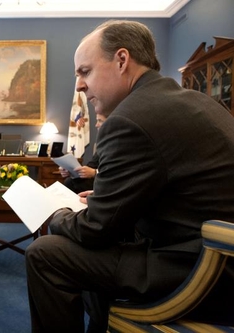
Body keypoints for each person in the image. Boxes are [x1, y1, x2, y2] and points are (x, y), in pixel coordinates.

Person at [25, 19, 234, 333]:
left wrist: (57, 214)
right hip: (213, 254)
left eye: (85, 72)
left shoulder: (131, 119)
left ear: (122, 60)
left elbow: (95, 230)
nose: (80, 86)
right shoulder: (193, 100)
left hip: (203, 270)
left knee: (46, 254)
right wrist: (110, 198)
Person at [60, 114, 106, 193]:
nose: (96, 125)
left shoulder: (118, 143)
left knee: (70, 183)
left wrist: (94, 172)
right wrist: (71, 171)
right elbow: (91, 166)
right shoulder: (103, 142)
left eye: (100, 121)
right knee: (69, 181)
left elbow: (117, 170)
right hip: (97, 179)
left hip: (106, 181)